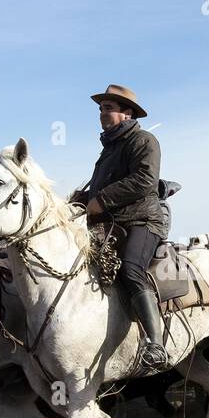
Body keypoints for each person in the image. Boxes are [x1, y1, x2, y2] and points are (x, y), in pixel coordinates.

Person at [70, 84, 169, 371]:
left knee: (130, 270)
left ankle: (155, 344)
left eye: (108, 108)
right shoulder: (108, 150)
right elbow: (98, 191)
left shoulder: (144, 140)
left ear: (127, 114)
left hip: (143, 221)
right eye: (101, 108)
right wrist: (79, 199)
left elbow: (144, 181)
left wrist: (101, 200)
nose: (102, 113)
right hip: (111, 224)